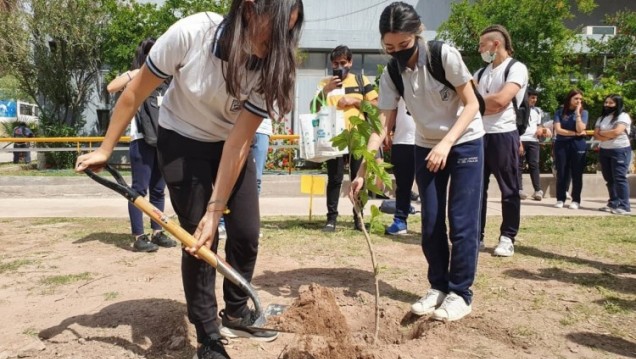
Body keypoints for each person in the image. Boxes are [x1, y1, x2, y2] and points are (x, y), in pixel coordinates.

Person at [75, 2, 304, 358]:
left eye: (288, 32)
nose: (280, 40)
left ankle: (237, 312)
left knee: (245, 232)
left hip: (229, 143)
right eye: (274, 28)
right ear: (247, 10)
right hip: (181, 139)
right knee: (199, 237)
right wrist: (106, 148)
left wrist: (218, 208)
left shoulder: (272, 66)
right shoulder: (192, 33)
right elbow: (134, 92)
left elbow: (239, 140)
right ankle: (208, 334)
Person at [351, 1, 484, 322]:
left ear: (418, 32)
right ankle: (438, 287)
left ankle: (460, 294)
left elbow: (471, 105)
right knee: (431, 222)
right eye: (389, 47)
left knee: (462, 223)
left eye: (404, 45)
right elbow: (382, 124)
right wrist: (362, 171)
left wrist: (447, 143)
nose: (397, 52)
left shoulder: (444, 56)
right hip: (425, 146)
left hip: (464, 142)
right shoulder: (392, 72)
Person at [107, 38, 177, 253]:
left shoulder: (169, 78)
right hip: (141, 140)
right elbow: (111, 87)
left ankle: (158, 231)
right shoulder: (137, 78)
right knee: (138, 189)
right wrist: (137, 72)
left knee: (158, 190)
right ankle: (138, 236)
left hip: (164, 140)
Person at [312, 45, 378, 232]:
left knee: (358, 177)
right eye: (335, 63)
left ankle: (359, 217)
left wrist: (355, 101)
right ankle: (331, 219)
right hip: (334, 139)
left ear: (350, 62)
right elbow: (313, 109)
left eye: (343, 63)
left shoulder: (361, 80)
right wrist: (326, 91)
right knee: (335, 178)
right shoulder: (325, 82)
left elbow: (376, 106)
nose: (340, 66)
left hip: (358, 136)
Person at [475, 24, 528, 257]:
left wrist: (478, 105)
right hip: (478, 134)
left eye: (481, 45)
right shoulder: (480, 73)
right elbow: (467, 103)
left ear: (496, 44)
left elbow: (501, 101)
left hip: (504, 134)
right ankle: (476, 236)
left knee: (509, 189)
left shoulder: (516, 68)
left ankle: (507, 237)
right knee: (476, 190)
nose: (479, 50)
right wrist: (484, 104)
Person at [593, 94, 632, 215]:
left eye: (610, 103)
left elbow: (617, 131)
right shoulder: (602, 118)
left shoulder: (623, 116)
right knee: (609, 178)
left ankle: (624, 206)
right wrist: (607, 135)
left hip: (620, 150)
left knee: (619, 178)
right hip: (605, 150)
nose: (607, 105)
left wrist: (603, 134)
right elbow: (596, 134)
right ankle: (613, 202)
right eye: (606, 102)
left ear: (617, 104)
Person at [385, 99, 416, 235]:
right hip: (402, 140)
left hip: (428, 141)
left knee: (429, 187)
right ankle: (400, 220)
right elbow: (392, 108)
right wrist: (386, 132)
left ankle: (433, 224)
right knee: (402, 186)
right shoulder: (399, 79)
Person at [553, 89, 588, 210]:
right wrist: (575, 133)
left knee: (577, 173)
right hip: (562, 144)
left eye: (580, 99)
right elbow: (559, 130)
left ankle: (576, 200)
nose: (578, 101)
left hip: (578, 145)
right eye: (576, 98)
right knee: (562, 172)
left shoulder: (584, 113)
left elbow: (581, 128)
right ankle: (560, 198)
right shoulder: (559, 112)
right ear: (570, 99)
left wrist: (578, 113)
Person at [518, 88, 551, 201]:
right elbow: (515, 128)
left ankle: (538, 190)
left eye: (536, 98)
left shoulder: (537, 111)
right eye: (532, 97)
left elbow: (538, 125)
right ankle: (519, 189)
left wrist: (541, 129)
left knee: (534, 165)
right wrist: (518, 142)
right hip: (521, 139)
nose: (534, 100)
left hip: (533, 141)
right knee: (519, 166)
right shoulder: (519, 110)